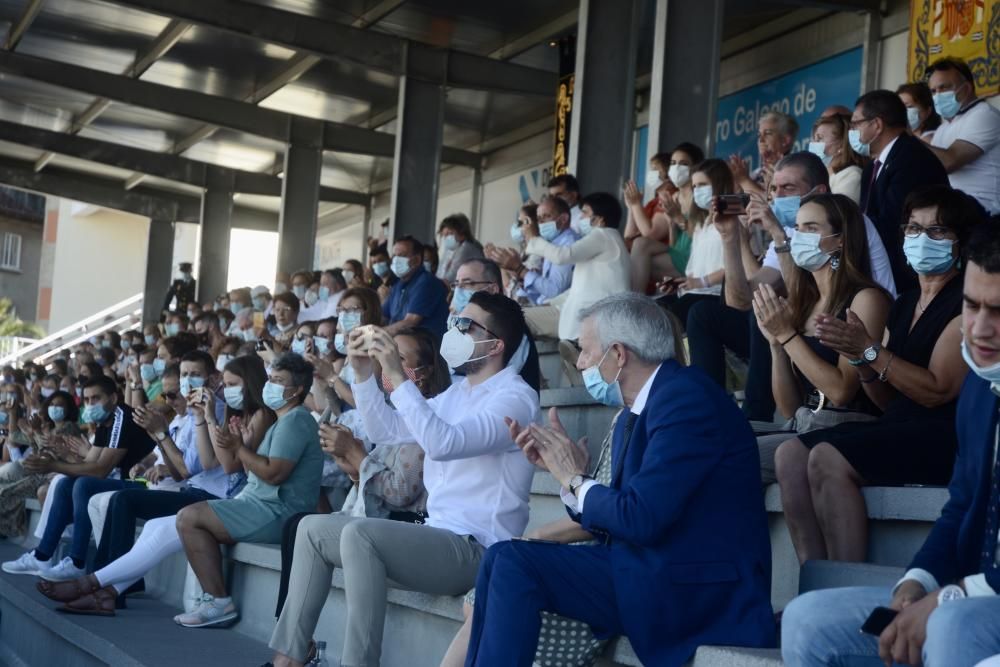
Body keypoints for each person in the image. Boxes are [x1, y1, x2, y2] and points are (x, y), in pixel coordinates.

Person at [464, 293, 774, 666]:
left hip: (694, 589)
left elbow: (640, 518)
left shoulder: (687, 400)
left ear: (618, 354)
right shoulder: (640, 409)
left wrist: (577, 479)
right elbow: (625, 513)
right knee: (502, 557)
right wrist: (567, 479)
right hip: (644, 568)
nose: (579, 363)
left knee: (513, 561)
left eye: (585, 351)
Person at [265, 292, 539, 667]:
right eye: (453, 320)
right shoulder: (457, 392)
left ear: (495, 344)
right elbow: (388, 429)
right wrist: (362, 373)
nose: (453, 329)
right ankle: (289, 659)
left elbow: (443, 443)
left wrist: (396, 373)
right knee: (311, 529)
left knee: (360, 534)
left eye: (464, 324)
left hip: (479, 550)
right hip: (436, 536)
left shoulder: (516, 398)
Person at [780, 221, 1000, 667]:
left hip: (975, 602)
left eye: (998, 311)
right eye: (971, 306)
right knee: (807, 619)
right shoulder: (980, 385)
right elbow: (959, 507)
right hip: (964, 592)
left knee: (949, 628)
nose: (978, 329)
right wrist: (915, 584)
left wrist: (945, 600)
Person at [774, 185, 981, 566]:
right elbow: (887, 400)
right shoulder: (905, 304)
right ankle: (812, 578)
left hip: (942, 436)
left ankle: (843, 580)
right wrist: (860, 360)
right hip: (898, 425)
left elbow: (937, 390)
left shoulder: (964, 302)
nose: (921, 238)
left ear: (961, 243)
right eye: (914, 229)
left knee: (827, 456)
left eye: (936, 231)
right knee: (789, 455)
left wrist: (870, 350)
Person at [36, 356, 277, 616]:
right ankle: (106, 592)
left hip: (219, 498)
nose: (227, 390)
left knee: (123, 501)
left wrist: (202, 419)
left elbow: (217, 467)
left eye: (232, 384)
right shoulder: (218, 414)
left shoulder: (253, 414)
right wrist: (193, 420)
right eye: (226, 384)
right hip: (196, 492)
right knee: (143, 520)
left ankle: (92, 584)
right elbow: (206, 462)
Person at [688, 151, 895, 421]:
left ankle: (755, 416)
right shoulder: (794, 240)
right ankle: (715, 417)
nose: (778, 196)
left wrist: (785, 334)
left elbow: (841, 393)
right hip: (807, 415)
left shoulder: (849, 223)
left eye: (788, 188)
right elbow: (741, 299)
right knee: (711, 313)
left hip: (850, 409)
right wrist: (731, 238)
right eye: (774, 188)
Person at [163, 353, 321, 628]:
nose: (270, 384)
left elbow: (274, 473)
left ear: (296, 390)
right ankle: (212, 599)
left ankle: (218, 601)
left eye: (278, 381)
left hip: (277, 512)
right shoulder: (284, 419)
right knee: (189, 517)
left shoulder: (296, 420)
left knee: (189, 518)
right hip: (259, 505)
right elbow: (247, 469)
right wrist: (241, 444)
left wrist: (240, 449)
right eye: (270, 378)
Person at [1, 375, 156, 581]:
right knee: (66, 483)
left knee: (84, 484)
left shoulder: (122, 417)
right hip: (122, 480)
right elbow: (89, 462)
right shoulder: (104, 422)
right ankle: (42, 556)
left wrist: (53, 465)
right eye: (87, 399)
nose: (90, 404)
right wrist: (63, 458)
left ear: (112, 398)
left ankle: (77, 561)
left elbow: (99, 470)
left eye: (95, 398)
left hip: (144, 484)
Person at [853, 89, 950, 290]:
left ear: (877, 125)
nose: (852, 130)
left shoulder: (911, 158)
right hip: (881, 269)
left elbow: (894, 221)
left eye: (856, 123)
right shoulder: (872, 166)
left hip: (907, 277)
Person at [519, 192, 630, 341]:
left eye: (584, 213)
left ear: (599, 219)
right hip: (596, 317)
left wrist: (533, 238)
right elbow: (585, 283)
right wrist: (554, 301)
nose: (580, 218)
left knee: (514, 318)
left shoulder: (602, 235)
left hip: (596, 318)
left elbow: (563, 256)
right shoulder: (610, 238)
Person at [449, 258, 542, 393]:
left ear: (492, 289)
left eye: (468, 283)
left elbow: (479, 381)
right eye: (456, 284)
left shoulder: (511, 328)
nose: (459, 290)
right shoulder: (458, 322)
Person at [655, 159, 730, 325]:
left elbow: (736, 267)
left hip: (717, 296)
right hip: (694, 293)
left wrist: (702, 282)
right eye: (694, 186)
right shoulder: (700, 224)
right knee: (652, 309)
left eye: (703, 185)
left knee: (669, 320)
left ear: (719, 184)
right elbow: (693, 272)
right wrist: (680, 284)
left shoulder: (735, 221)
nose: (697, 191)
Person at [925, 57, 1000, 215]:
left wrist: (907, 137)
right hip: (957, 212)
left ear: (966, 88)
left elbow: (950, 162)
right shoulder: (944, 127)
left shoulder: (984, 115)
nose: (938, 95)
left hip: (987, 214)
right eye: (933, 91)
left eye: (944, 88)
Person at [627, 143, 705, 291]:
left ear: (695, 167)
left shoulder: (699, 196)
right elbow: (674, 244)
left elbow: (701, 236)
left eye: (683, 164)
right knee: (640, 244)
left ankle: (634, 303)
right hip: (679, 253)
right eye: (673, 163)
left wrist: (678, 218)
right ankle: (634, 301)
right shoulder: (674, 197)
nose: (676, 168)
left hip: (694, 257)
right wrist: (671, 224)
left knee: (637, 264)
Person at [497, 197, 578, 313]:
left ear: (564, 219)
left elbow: (554, 291)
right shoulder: (554, 242)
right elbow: (540, 292)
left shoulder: (568, 244)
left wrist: (520, 270)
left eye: (546, 216)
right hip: (542, 306)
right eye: (539, 219)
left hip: (559, 311)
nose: (541, 223)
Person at [382, 235, 449, 337]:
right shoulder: (398, 285)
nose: (396, 260)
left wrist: (377, 334)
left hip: (422, 348)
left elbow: (410, 323)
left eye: (401, 256)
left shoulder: (427, 282)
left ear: (417, 259)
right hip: (400, 344)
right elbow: (383, 316)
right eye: (394, 256)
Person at [730, 110, 798, 196]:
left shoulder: (794, 172)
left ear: (785, 140)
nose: (761, 140)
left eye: (768, 133)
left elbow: (772, 203)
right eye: (759, 135)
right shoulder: (755, 174)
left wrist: (744, 180)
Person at [809, 113, 868, 203]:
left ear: (841, 145)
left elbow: (837, 214)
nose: (814, 143)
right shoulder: (822, 178)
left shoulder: (852, 175)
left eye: (820, 138)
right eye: (814, 139)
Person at [436, 213, 484, 283]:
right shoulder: (454, 248)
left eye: (450, 234)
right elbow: (440, 273)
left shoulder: (467, 247)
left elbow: (449, 278)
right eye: (444, 235)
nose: (446, 238)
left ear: (462, 232)